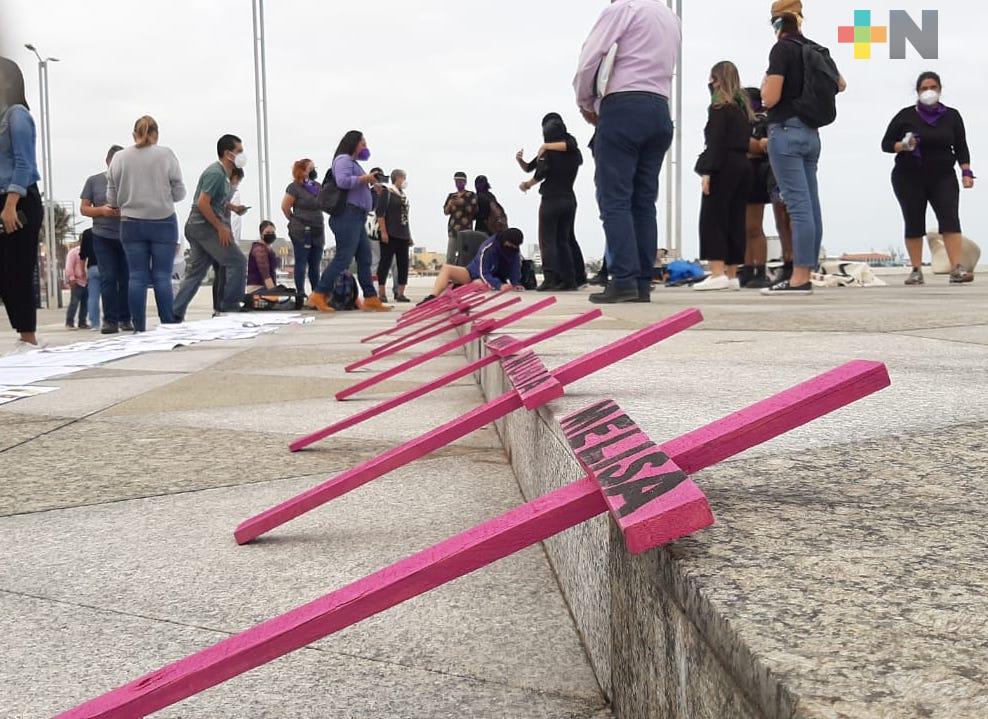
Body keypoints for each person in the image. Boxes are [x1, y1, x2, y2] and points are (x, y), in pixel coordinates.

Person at [574, 0, 680, 304]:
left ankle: (623, 280)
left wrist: (586, 102)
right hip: (660, 109)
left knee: (614, 199)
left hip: (623, 108)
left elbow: (589, 60)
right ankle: (642, 282)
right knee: (644, 202)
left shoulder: (623, 9)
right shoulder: (670, 18)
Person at [760, 11, 846, 295]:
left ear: (777, 27)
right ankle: (805, 270)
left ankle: (798, 277)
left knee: (797, 207)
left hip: (785, 131)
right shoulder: (816, 49)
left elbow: (770, 98)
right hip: (811, 133)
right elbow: (841, 84)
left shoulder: (781, 49)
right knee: (811, 205)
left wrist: (764, 89)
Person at [882, 71, 975, 285]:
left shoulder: (952, 116)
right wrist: (903, 146)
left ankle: (956, 268)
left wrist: (966, 172)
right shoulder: (905, 116)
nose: (928, 91)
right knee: (913, 220)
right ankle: (916, 270)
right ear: (917, 92)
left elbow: (961, 146)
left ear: (940, 89)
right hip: (909, 175)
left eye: (932, 87)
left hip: (943, 175)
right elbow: (886, 144)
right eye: (924, 88)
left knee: (950, 218)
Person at [107, 115, 186, 332]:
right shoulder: (166, 154)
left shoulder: (119, 158)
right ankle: (168, 324)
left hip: (131, 222)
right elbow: (179, 190)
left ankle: (138, 327)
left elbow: (112, 196)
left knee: (137, 276)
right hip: (163, 220)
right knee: (162, 275)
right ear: (156, 134)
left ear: (134, 135)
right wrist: (165, 196)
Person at [307, 130, 390, 313]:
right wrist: (364, 178)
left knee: (365, 258)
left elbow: (355, 186)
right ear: (353, 143)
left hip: (357, 216)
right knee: (344, 257)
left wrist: (371, 186)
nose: (365, 148)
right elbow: (343, 181)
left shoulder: (354, 163)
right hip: (347, 216)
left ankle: (370, 297)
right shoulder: (343, 160)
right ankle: (319, 294)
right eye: (363, 144)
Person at [172, 134, 250, 321]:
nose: (242, 155)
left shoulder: (223, 175)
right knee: (237, 261)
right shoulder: (216, 173)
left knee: (196, 274)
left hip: (197, 226)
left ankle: (174, 313)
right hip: (203, 226)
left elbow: (216, 201)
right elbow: (203, 203)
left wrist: (233, 208)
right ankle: (229, 306)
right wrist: (220, 227)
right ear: (227, 153)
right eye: (239, 151)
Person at [692, 62, 755, 292]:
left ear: (717, 80)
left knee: (713, 217)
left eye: (712, 79)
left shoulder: (719, 107)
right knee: (735, 218)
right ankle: (731, 274)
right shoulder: (743, 109)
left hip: (724, 165)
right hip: (743, 165)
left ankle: (717, 271)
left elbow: (716, 142)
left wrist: (707, 170)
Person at [0, 57, 44, 351]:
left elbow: (24, 162)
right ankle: (22, 334)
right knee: (4, 271)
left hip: (19, 199)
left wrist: (10, 205)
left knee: (17, 268)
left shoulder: (17, 115)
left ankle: (28, 338)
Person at [518, 113, 585, 291]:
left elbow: (540, 174)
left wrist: (527, 185)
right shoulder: (573, 152)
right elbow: (532, 166)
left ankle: (550, 278)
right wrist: (521, 161)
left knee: (547, 240)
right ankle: (569, 280)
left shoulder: (547, 152)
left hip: (551, 200)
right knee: (564, 240)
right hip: (569, 198)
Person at [81, 145, 132, 333]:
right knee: (108, 278)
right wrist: (102, 210)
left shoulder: (132, 182)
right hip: (102, 236)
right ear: (108, 161)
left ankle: (126, 318)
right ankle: (110, 320)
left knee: (126, 279)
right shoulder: (93, 181)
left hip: (127, 236)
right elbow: (84, 208)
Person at [420, 228, 525, 304]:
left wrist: (515, 282)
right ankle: (432, 297)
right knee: (446, 269)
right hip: (474, 273)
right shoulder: (489, 247)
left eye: (514, 247)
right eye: (509, 245)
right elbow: (483, 272)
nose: (511, 248)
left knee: (480, 284)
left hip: (492, 279)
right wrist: (499, 285)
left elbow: (515, 268)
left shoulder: (514, 250)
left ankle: (458, 287)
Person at [281, 158, 325, 305]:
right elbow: (285, 207)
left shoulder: (317, 187)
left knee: (315, 262)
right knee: (301, 261)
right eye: (311, 168)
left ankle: (316, 293)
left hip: (317, 228)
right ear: (302, 170)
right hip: (301, 230)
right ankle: (300, 292)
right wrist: (294, 220)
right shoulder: (294, 187)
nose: (314, 170)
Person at [376, 169, 413, 303]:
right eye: (404, 178)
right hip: (390, 233)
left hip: (403, 234)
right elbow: (380, 214)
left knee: (403, 264)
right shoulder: (388, 192)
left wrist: (409, 234)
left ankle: (400, 293)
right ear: (397, 178)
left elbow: (405, 217)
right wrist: (384, 231)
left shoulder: (403, 195)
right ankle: (381, 292)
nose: (405, 181)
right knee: (385, 262)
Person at [211, 166, 244, 315]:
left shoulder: (219, 191)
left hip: (215, 236)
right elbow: (234, 221)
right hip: (222, 236)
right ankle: (222, 306)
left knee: (220, 273)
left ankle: (218, 307)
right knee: (223, 274)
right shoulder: (227, 192)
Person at [443, 171, 478, 263]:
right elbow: (445, 212)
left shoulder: (471, 195)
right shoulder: (451, 196)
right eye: (456, 181)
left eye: (460, 182)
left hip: (466, 230)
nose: (458, 184)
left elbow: (474, 211)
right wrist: (450, 205)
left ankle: (463, 276)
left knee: (465, 257)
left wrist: (463, 203)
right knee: (450, 256)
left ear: (465, 182)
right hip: (453, 230)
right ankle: (451, 275)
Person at [246, 221, 280, 293]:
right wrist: (274, 294)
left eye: (273, 232)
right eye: (267, 233)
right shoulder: (259, 249)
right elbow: (266, 275)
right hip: (257, 289)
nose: (270, 235)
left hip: (265, 288)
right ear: (261, 234)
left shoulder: (268, 248)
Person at [77, 228, 100, 328]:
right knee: (111, 295)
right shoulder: (108, 229)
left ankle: (95, 324)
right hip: (108, 267)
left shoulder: (87, 233)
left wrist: (82, 271)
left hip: (92, 267)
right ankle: (112, 321)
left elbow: (82, 255)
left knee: (93, 297)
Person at [64, 244, 89, 329]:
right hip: (77, 281)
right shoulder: (74, 252)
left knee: (85, 304)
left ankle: (82, 322)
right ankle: (69, 322)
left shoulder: (89, 251)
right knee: (74, 303)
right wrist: (71, 278)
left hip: (87, 281)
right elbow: (69, 266)